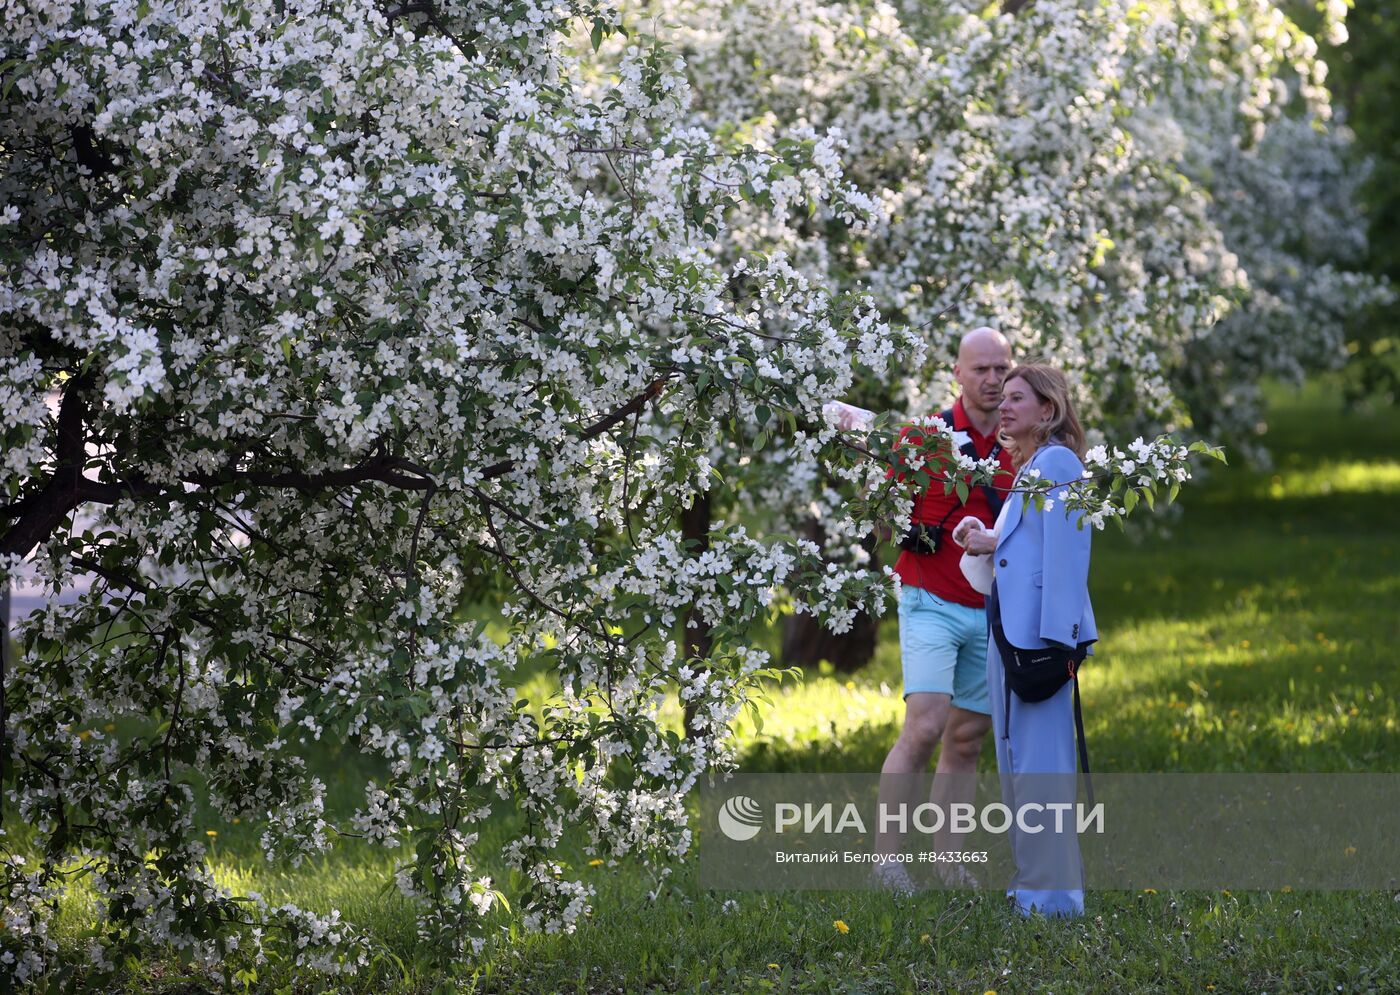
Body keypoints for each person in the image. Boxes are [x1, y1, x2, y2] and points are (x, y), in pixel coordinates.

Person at [871, 327, 1014, 892]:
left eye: (1001, 368)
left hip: (992, 608)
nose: (992, 380)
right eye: (980, 368)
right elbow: (883, 522)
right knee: (926, 725)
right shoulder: (926, 436)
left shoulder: (1019, 441)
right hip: (929, 600)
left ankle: (948, 863)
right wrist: (913, 527)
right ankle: (886, 863)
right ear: (957, 373)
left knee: (966, 740)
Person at [963, 363, 1095, 917]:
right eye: (1003, 398)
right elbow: (1026, 550)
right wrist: (986, 539)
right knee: (1018, 769)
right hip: (1009, 634)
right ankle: (1030, 893)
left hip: (1038, 644)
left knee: (1043, 773)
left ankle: (1056, 902)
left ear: (1048, 410)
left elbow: (1069, 558)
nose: (1004, 406)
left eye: (1018, 398)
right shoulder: (1031, 470)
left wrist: (1059, 647)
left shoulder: (1059, 463)